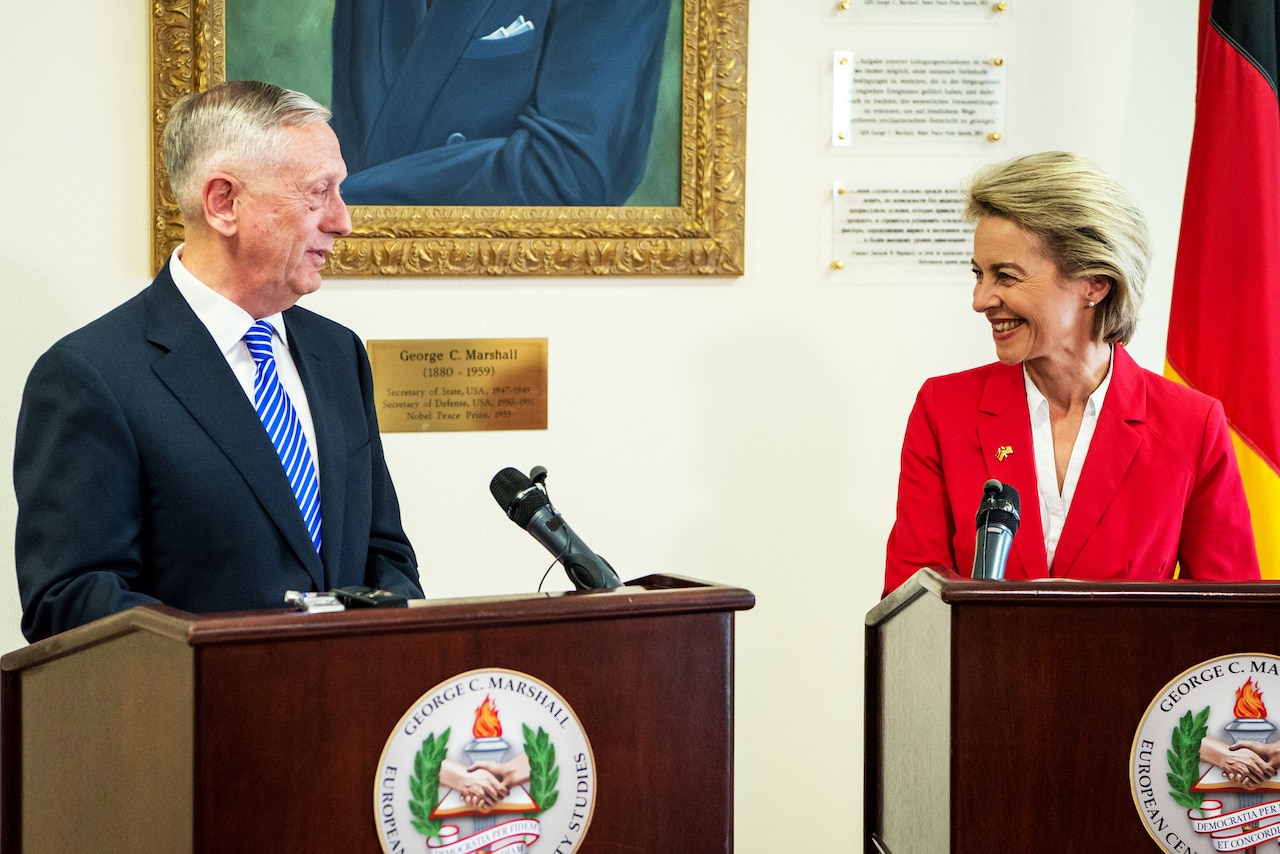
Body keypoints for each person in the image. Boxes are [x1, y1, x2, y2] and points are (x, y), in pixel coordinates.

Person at [13, 80, 422, 642]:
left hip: (348, 710)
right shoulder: (91, 375)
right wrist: (237, 655)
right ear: (224, 202)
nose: (342, 220)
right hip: (197, 719)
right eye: (318, 192)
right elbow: (72, 599)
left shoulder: (337, 353)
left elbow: (385, 552)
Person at [883, 151, 1260, 596]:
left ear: (1094, 283)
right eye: (978, 274)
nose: (981, 299)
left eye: (1005, 276)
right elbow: (909, 604)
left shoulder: (1191, 425)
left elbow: (1230, 622)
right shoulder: (943, 409)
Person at [329, 0, 671, 206]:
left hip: (525, 286)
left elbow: (573, 173)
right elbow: (360, 136)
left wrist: (340, 195)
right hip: (371, 280)